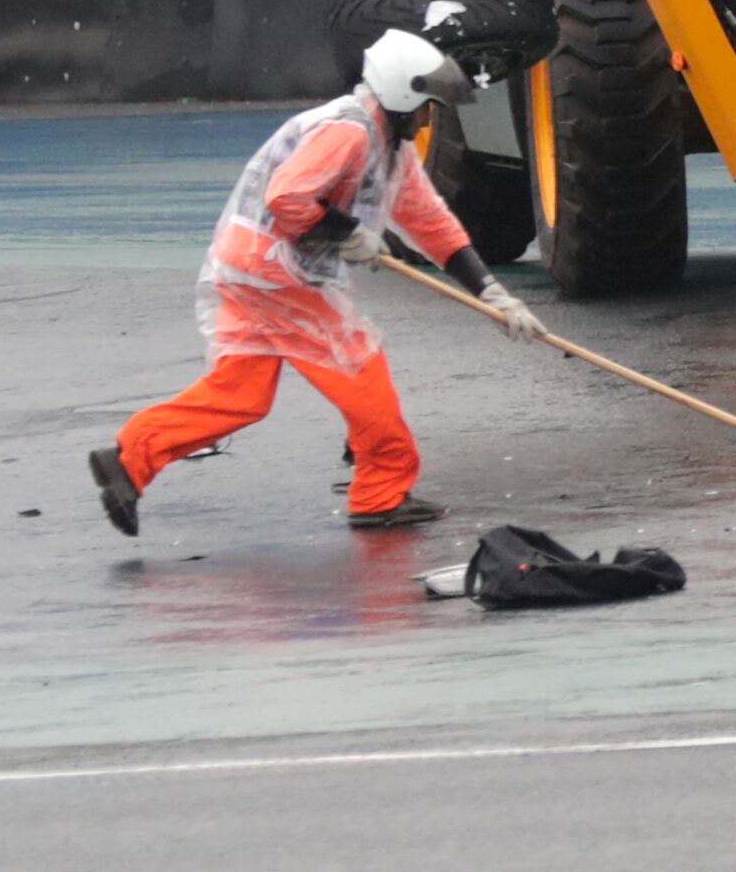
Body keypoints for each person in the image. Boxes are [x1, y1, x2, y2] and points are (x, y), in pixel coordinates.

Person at [90, 28, 549, 538]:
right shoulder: (348, 132)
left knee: (241, 395)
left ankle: (132, 457)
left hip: (252, 268)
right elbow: (286, 198)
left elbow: (428, 221)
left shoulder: (390, 147)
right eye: (427, 106)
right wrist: (347, 233)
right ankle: (381, 492)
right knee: (359, 365)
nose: (429, 117)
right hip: (277, 275)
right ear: (402, 96)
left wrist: (490, 292)